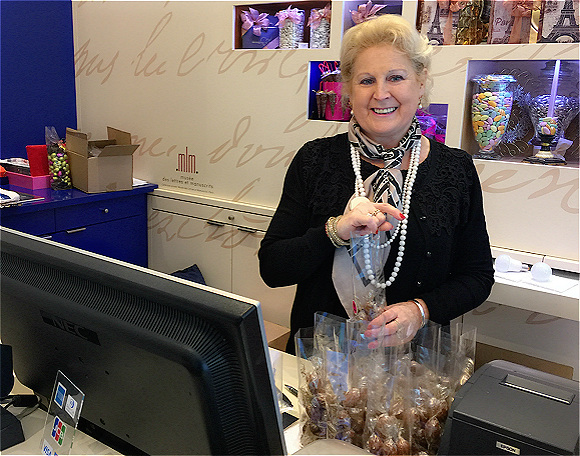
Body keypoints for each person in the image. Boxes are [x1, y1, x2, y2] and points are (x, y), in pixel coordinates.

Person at [258, 14, 494, 354]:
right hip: (323, 364)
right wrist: (336, 231)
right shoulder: (314, 160)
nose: (381, 94)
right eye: (366, 80)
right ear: (349, 91)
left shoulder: (455, 169)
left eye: (396, 77)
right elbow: (273, 269)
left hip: (415, 369)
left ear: (421, 83)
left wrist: (420, 310)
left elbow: (477, 276)